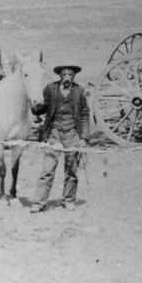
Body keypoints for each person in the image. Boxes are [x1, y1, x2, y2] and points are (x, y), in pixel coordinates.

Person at [30, 64, 91, 213]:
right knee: (47, 169)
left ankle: (68, 200)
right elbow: (42, 108)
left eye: (70, 74)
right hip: (54, 134)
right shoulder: (50, 89)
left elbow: (84, 115)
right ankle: (39, 202)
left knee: (71, 170)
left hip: (72, 134)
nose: (67, 77)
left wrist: (83, 138)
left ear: (74, 76)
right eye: (64, 74)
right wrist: (35, 106)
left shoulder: (79, 91)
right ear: (60, 76)